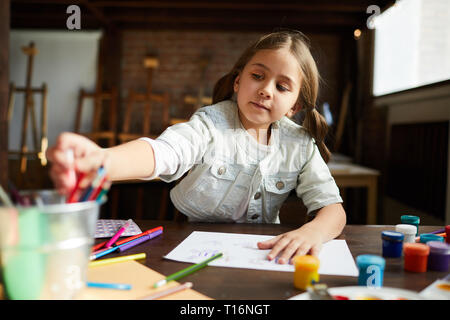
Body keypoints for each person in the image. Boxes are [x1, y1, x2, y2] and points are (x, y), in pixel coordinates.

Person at [47, 30, 346, 264]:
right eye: (258, 76)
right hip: (191, 245)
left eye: (282, 86)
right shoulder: (209, 124)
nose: (266, 90)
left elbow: (333, 209)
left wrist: (314, 231)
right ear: (238, 82)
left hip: (261, 254)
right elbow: (164, 152)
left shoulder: (300, 143)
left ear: (295, 106)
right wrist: (102, 161)